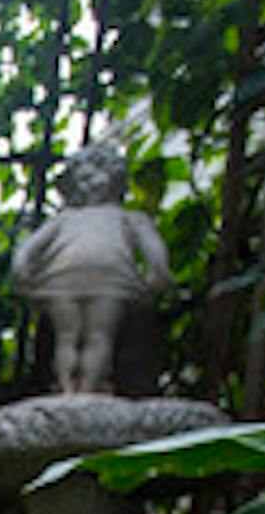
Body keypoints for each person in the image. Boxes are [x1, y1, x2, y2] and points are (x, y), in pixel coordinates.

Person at [11, 142, 174, 394]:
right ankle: (80, 389)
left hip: (83, 278)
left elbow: (26, 252)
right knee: (90, 336)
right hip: (89, 278)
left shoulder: (112, 218)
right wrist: (156, 278)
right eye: (82, 179)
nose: (89, 184)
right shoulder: (123, 218)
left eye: (93, 177)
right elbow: (27, 251)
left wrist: (22, 270)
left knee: (79, 336)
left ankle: (76, 390)